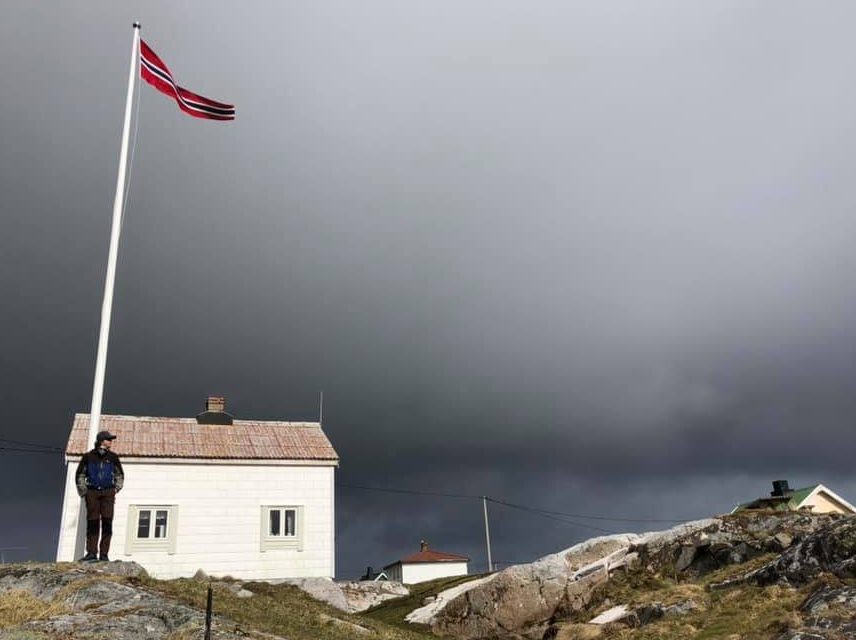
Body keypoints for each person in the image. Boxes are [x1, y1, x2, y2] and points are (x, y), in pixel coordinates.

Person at [76, 430, 124, 561]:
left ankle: (104, 554)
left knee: (107, 522)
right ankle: (92, 553)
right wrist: (84, 491)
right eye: (109, 439)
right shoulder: (88, 457)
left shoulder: (113, 457)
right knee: (93, 522)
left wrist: (115, 489)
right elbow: (80, 474)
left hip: (108, 492)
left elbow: (119, 474)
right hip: (92, 492)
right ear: (102, 441)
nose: (111, 442)